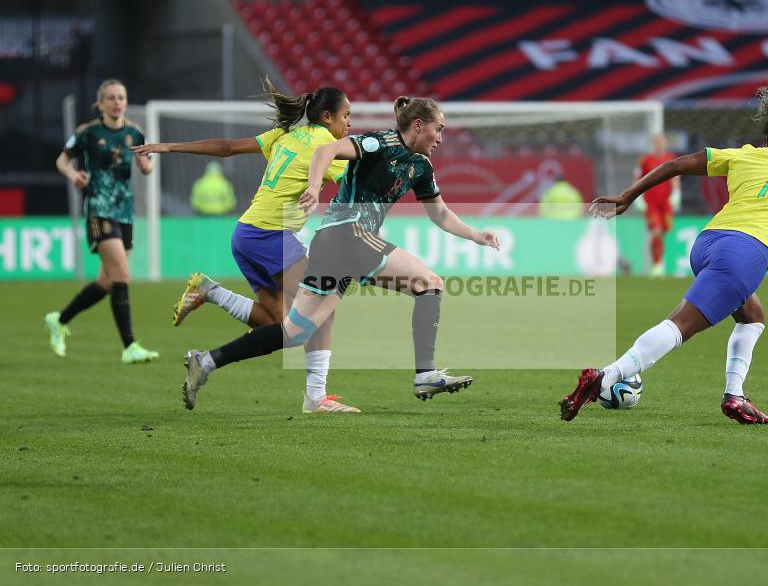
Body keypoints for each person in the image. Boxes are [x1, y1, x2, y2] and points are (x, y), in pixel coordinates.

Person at [560, 78, 768, 425]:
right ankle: (605, 375)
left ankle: (735, 395)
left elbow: (675, 165)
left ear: (767, 140)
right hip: (744, 255)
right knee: (681, 326)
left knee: (752, 316)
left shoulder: (746, 155)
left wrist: (628, 196)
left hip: (708, 243)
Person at [178, 96, 501, 411]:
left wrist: (475, 234)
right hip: (349, 234)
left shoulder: (421, 166)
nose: (441, 138)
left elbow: (440, 214)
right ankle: (425, 375)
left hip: (332, 245)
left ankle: (206, 361)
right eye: (438, 129)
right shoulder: (380, 143)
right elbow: (326, 150)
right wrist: (313, 185)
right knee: (429, 283)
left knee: (295, 331)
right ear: (418, 125)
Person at [131, 80, 358, 413]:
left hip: (246, 234)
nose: (348, 123)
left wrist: (168, 147)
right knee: (321, 307)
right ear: (327, 117)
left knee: (279, 326)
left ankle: (206, 341)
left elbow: (226, 147)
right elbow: (359, 184)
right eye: (346, 115)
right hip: (270, 235)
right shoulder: (329, 144)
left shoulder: (284, 135)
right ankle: (316, 397)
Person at [45, 79, 159, 364]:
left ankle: (59, 319)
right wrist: (74, 176)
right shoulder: (87, 132)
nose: (117, 102)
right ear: (101, 103)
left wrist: (146, 166)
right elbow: (62, 160)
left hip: (125, 212)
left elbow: (147, 166)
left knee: (108, 281)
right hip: (98, 209)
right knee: (121, 273)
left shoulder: (135, 132)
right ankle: (130, 346)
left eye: (121, 97)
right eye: (110, 98)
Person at [634, 134, 681, 277]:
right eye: (657, 142)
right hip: (651, 202)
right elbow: (638, 177)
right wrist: (639, 197)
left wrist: (676, 192)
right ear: (653, 144)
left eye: (662, 142)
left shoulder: (672, 158)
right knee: (656, 231)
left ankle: (658, 260)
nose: (659, 145)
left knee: (663, 233)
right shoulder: (645, 160)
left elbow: (675, 177)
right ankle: (657, 264)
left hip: (666, 202)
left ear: (665, 143)